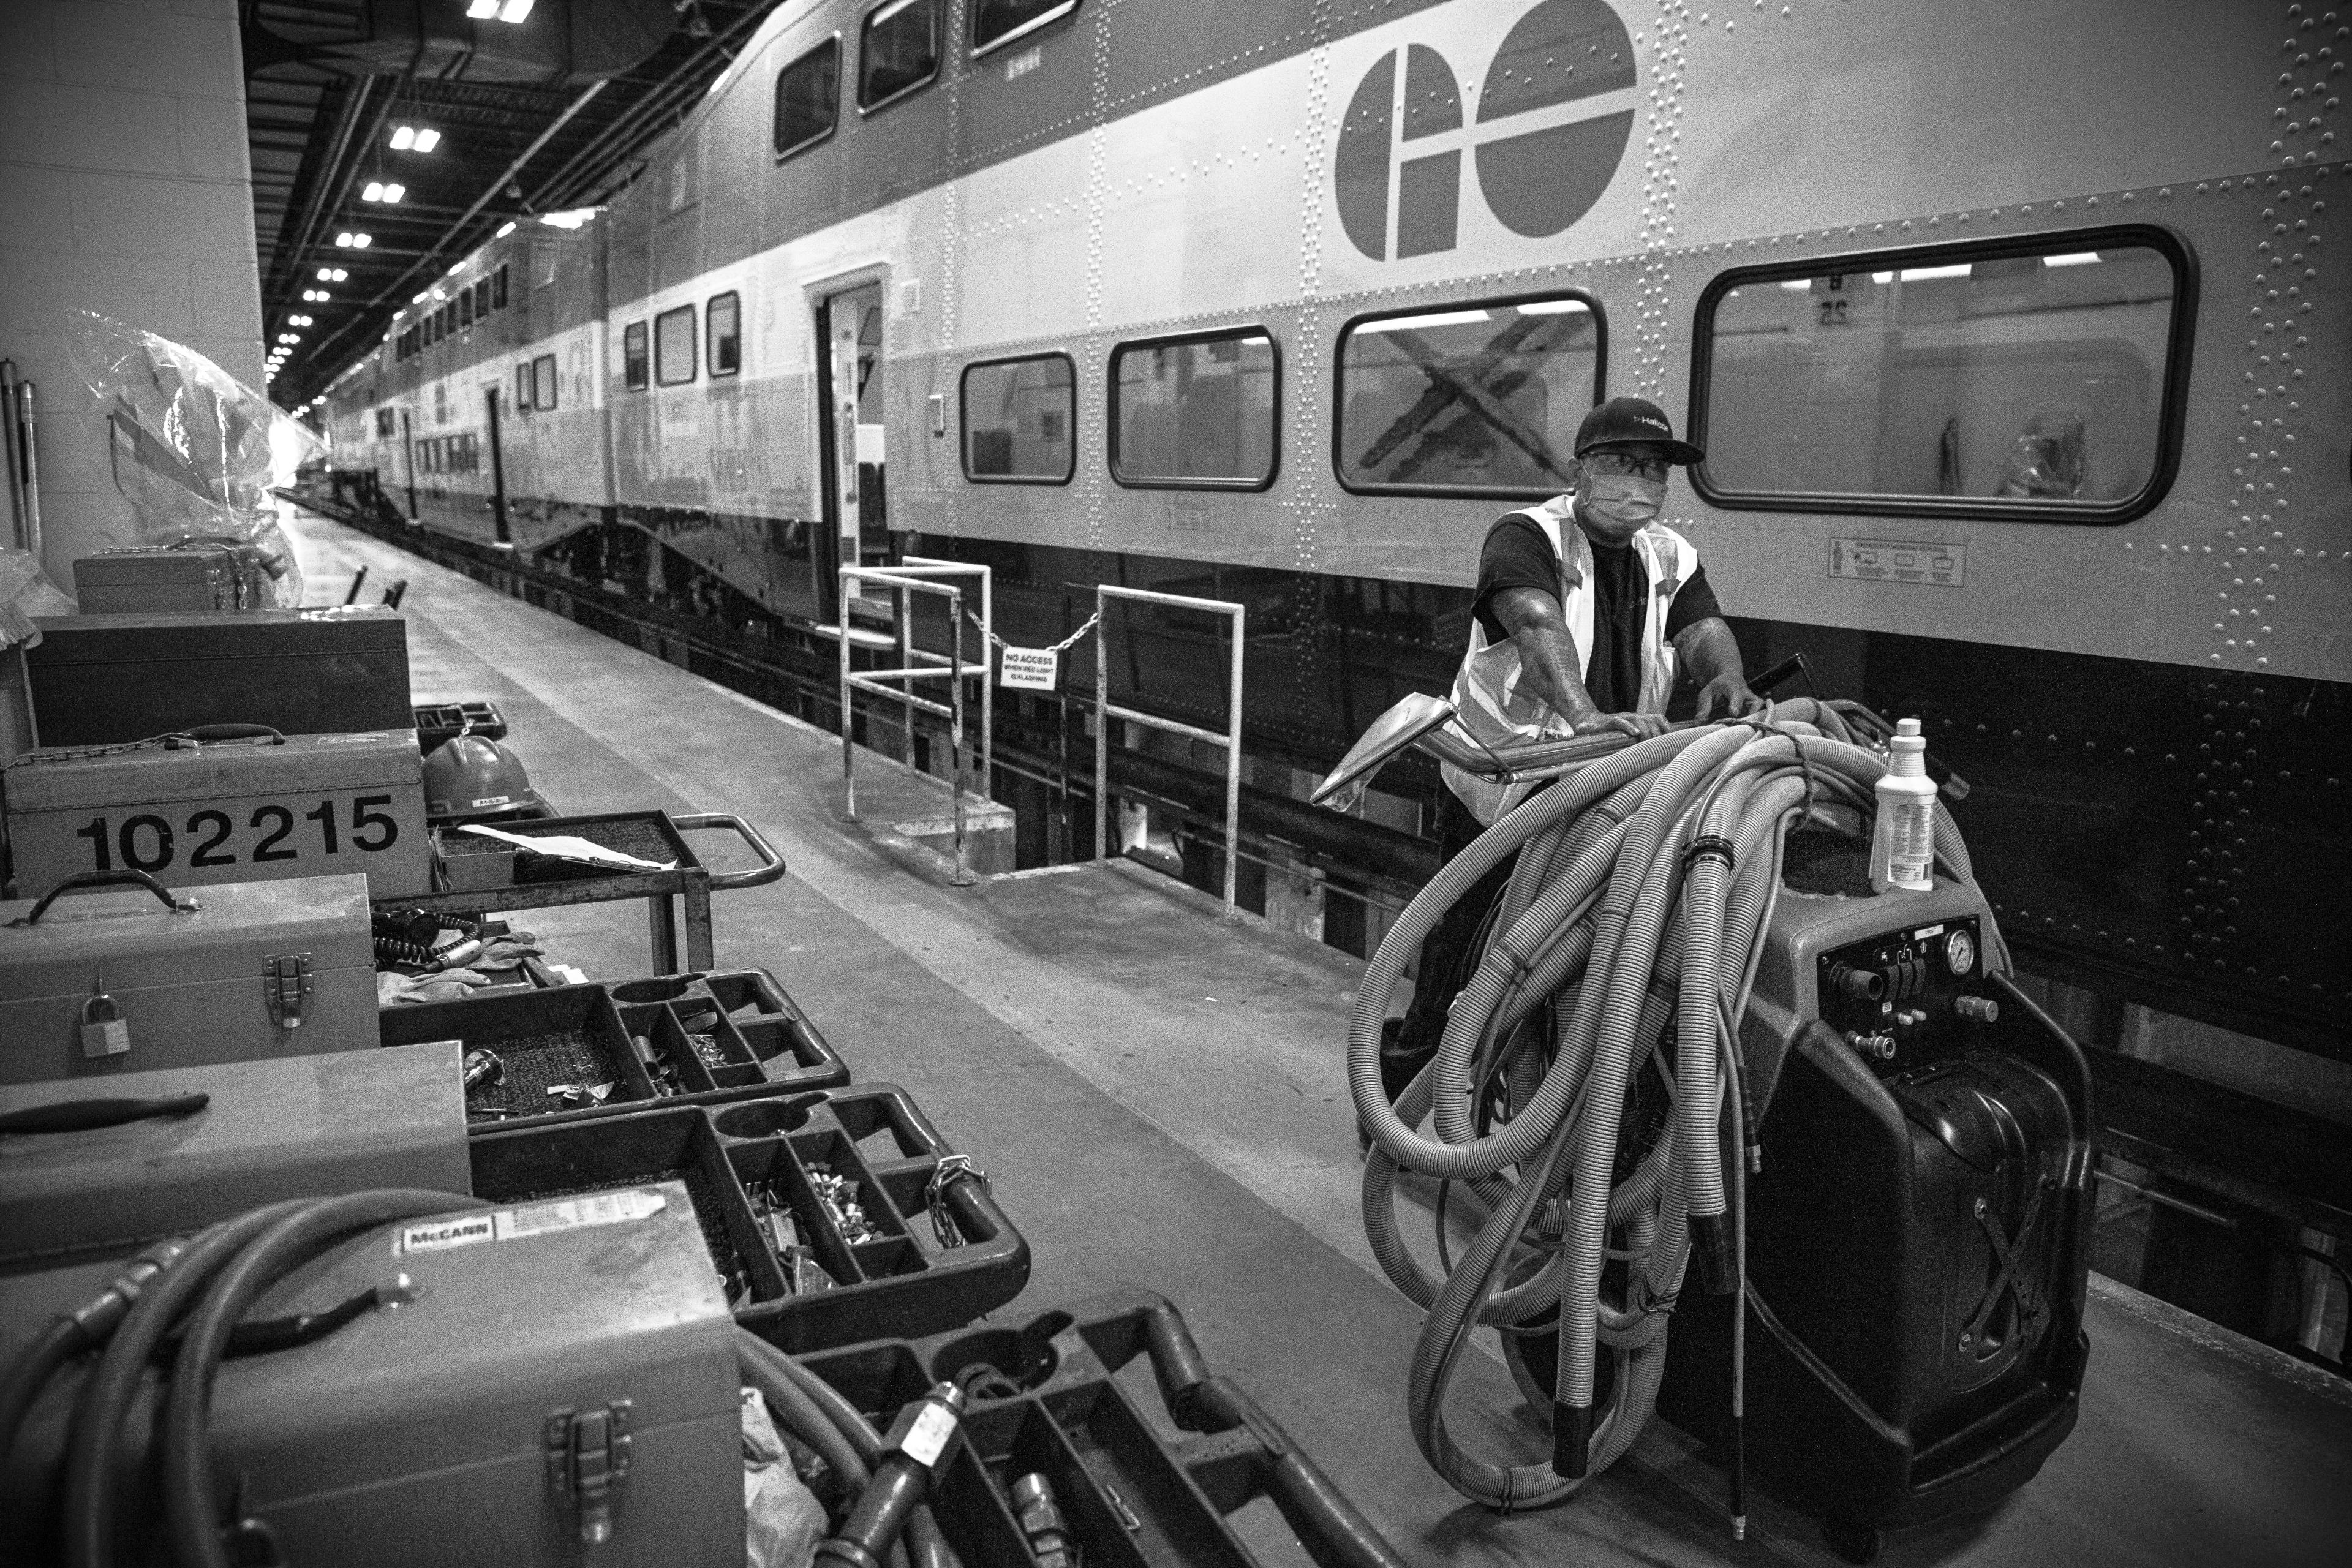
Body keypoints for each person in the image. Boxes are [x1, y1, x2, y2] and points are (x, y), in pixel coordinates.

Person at [1380, 396, 1765, 1102]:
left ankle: (1551, 1108)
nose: (1638, 482)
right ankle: (1401, 1099)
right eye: (1620, 463)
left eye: (1653, 468)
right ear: (1578, 469)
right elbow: (1534, 620)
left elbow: (1702, 625)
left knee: (1588, 950)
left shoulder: (1668, 553)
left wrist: (1728, 678)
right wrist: (1583, 714)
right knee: (1462, 941)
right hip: (1507, 784)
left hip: (1610, 789)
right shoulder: (1527, 536)